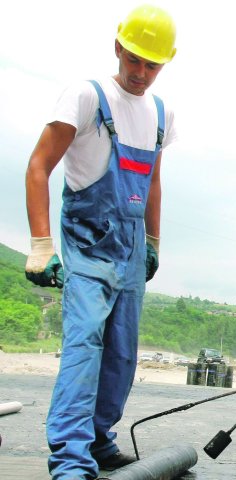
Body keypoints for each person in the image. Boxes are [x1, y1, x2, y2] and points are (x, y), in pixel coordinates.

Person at [23, 5, 178, 479]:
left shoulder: (160, 113)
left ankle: (98, 439)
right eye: (134, 60)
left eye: (152, 65)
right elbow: (38, 167)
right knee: (84, 345)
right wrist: (41, 244)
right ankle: (70, 459)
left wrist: (152, 237)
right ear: (118, 48)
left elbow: (151, 179)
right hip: (88, 243)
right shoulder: (86, 97)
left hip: (131, 247)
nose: (141, 73)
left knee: (122, 352)